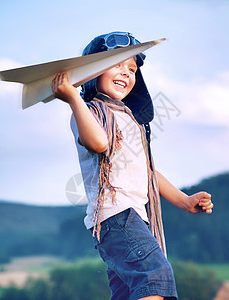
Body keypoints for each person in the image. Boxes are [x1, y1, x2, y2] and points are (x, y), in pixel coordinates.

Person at [51, 31, 214, 300]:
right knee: (155, 276)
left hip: (135, 218)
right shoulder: (89, 112)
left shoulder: (131, 121)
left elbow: (148, 172)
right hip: (117, 217)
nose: (126, 73)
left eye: (132, 69)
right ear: (92, 72)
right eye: (116, 64)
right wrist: (73, 99)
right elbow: (98, 143)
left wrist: (184, 201)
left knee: (129, 292)